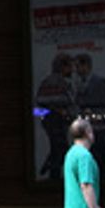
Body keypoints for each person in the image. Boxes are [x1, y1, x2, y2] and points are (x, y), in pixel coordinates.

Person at [74, 53, 105, 182]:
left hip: (98, 126)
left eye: (78, 66)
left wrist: (93, 111)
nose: (76, 70)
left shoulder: (100, 82)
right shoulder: (78, 84)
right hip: (85, 127)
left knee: (101, 153)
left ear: (86, 66)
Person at [36, 52, 76, 181]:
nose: (72, 69)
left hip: (57, 119)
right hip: (54, 119)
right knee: (60, 147)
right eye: (69, 66)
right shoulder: (54, 81)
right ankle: (52, 172)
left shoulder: (63, 81)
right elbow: (43, 101)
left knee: (58, 147)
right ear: (62, 67)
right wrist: (59, 111)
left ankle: (53, 173)